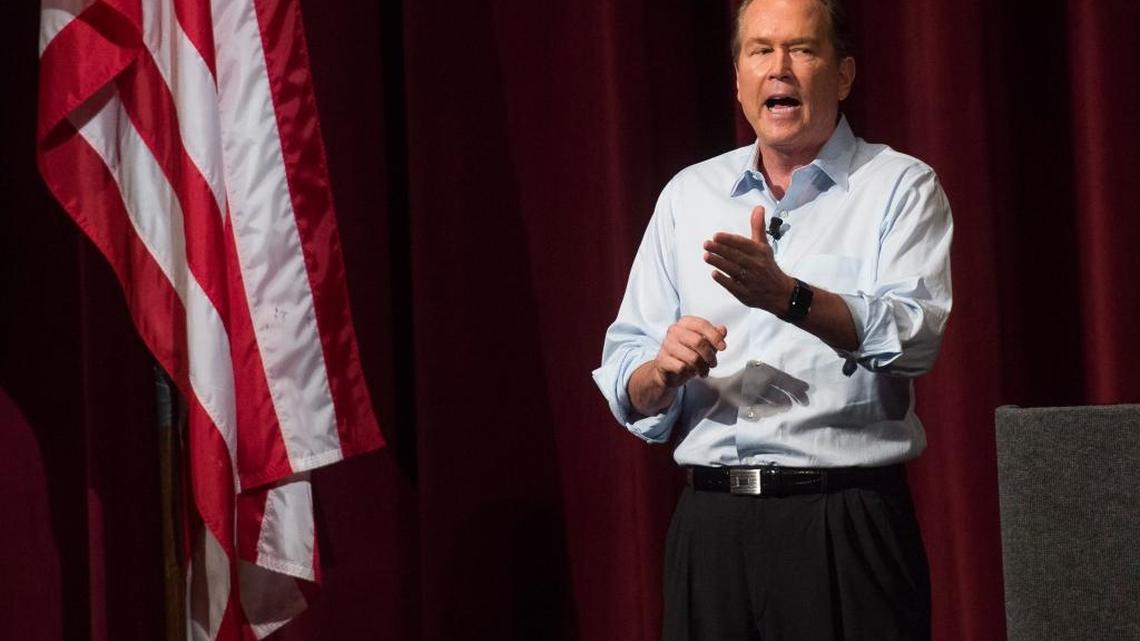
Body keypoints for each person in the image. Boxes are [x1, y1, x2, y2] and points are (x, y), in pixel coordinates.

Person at [592, 0, 953, 639]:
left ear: (842, 74)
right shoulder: (688, 196)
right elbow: (627, 376)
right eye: (760, 51)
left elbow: (912, 336)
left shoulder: (898, 186)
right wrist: (662, 370)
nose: (778, 69)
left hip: (841, 523)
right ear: (738, 79)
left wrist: (789, 297)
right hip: (711, 528)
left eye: (801, 49)